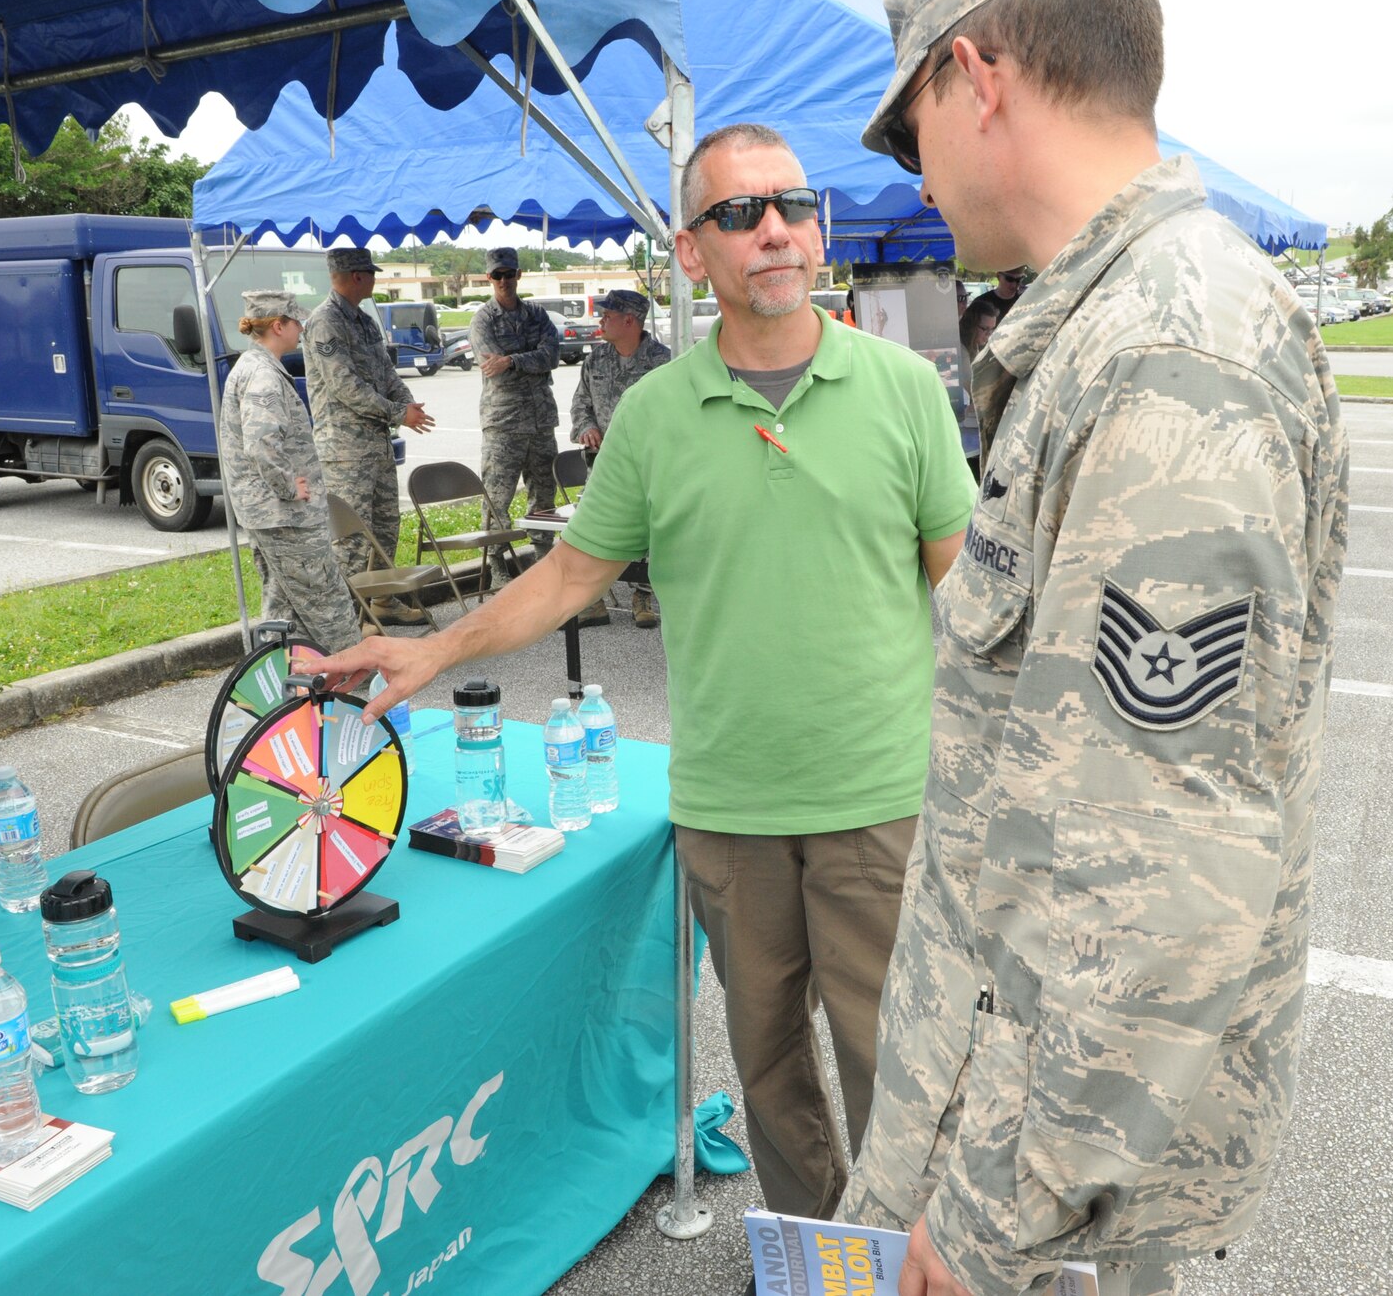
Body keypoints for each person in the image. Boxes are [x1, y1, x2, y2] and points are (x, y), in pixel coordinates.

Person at [316, 124, 975, 1258]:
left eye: (792, 204)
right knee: (769, 1073)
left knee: (895, 1077)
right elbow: (573, 573)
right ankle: (827, 1265)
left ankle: (908, 1264)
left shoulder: (902, 389)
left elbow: (965, 593)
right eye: (738, 212)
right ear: (690, 248)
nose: (773, 228)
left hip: (880, 805)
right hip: (728, 811)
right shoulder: (655, 415)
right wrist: (437, 649)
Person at [841, 0, 1349, 1296]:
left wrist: (996, 1209)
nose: (915, 177)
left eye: (907, 131)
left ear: (978, 77)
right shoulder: (1117, 321)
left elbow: (1162, 865)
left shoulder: (1166, 351)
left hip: (1032, 1171)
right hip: (1008, 1094)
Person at [220, 291, 363, 653]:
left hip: (270, 513)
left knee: (283, 602)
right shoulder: (263, 375)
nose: (302, 328)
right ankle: (356, 674)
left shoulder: (253, 367)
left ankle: (274, 678)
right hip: (285, 515)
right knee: (326, 597)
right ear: (278, 326)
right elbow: (261, 442)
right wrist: (288, 486)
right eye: (296, 322)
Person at [301, 248, 435, 627]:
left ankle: (383, 603)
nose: (375, 279)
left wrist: (407, 404)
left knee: (385, 529)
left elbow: (386, 372)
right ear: (356, 276)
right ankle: (348, 622)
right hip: (344, 452)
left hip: (375, 446)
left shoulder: (362, 321)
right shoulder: (326, 322)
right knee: (353, 543)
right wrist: (397, 414)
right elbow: (345, 387)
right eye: (370, 273)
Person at [569, 289, 672, 629]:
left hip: (647, 463)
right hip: (601, 464)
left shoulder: (662, 361)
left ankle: (643, 595)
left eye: (608, 315)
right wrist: (585, 427)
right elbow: (580, 402)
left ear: (629, 320)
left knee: (648, 529)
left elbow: (672, 414)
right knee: (595, 527)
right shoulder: (596, 359)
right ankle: (592, 599)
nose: (601, 320)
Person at [469, 247, 563, 583]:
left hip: (540, 422)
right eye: (497, 275)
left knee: (543, 493)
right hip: (504, 425)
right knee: (498, 497)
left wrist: (512, 359)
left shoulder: (537, 314)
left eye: (509, 274)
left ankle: (544, 560)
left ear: (518, 275)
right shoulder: (482, 320)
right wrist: (525, 360)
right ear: (488, 278)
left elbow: (552, 355)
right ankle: (495, 567)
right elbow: (493, 370)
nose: (504, 281)